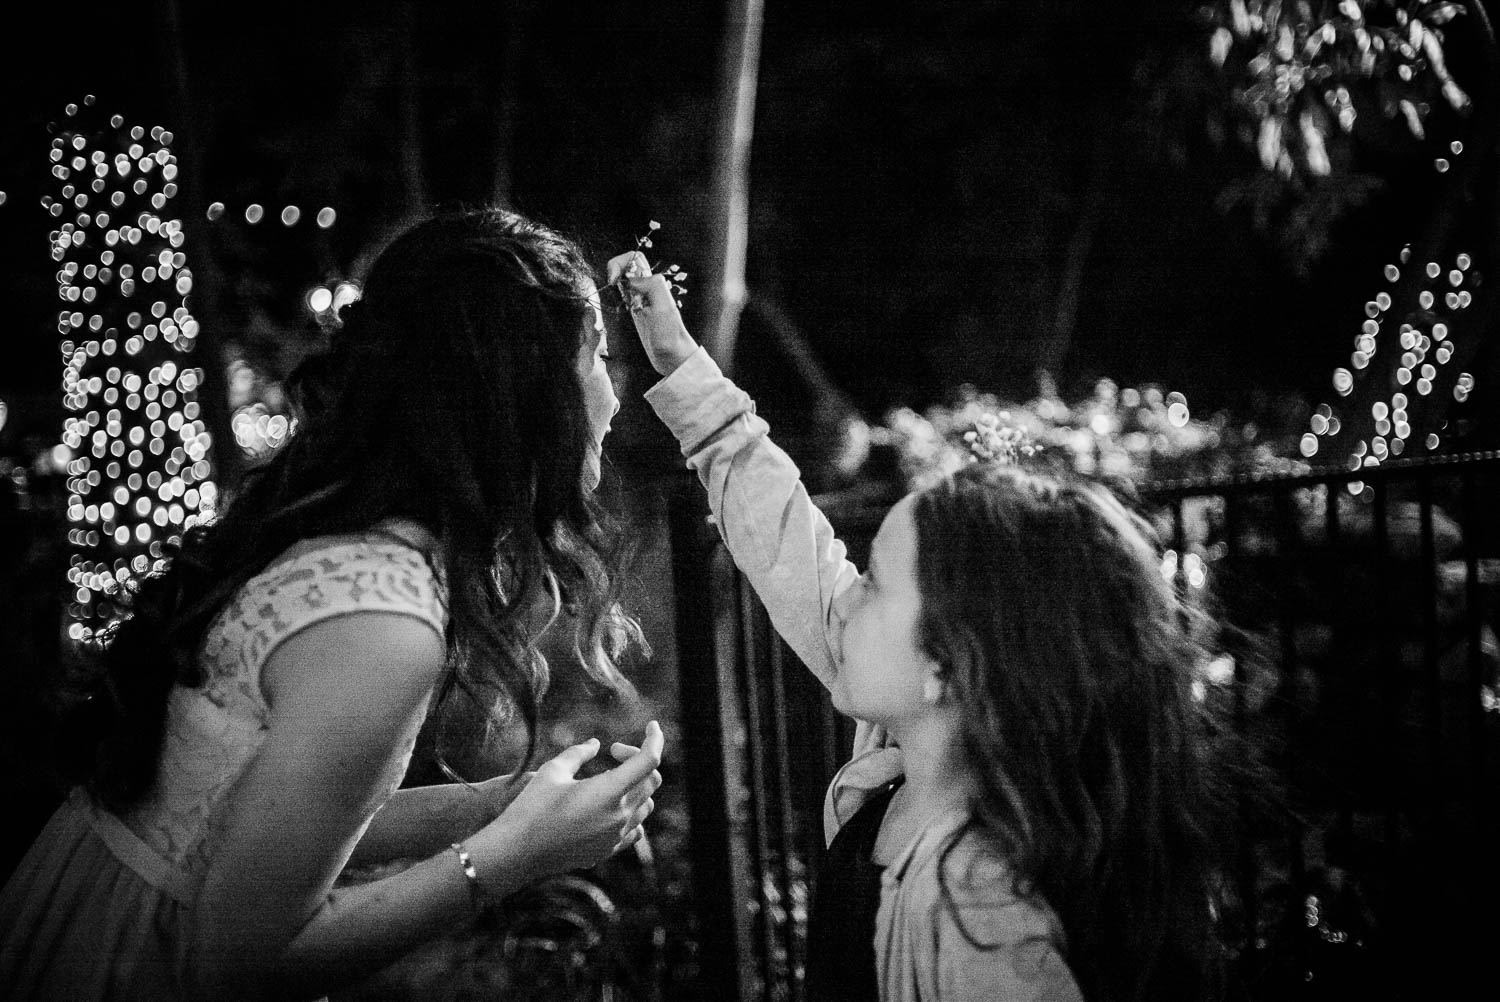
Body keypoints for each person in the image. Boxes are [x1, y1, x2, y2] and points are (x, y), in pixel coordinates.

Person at [0, 208, 665, 1002]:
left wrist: (496, 807)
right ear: (522, 390)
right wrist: (514, 857)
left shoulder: (354, 537)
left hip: (91, 908)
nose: (615, 400)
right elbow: (236, 962)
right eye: (597, 360)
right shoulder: (384, 631)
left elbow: (262, 823)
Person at [613, 252, 1227, 1001]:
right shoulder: (907, 761)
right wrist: (680, 365)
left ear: (947, 664)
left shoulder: (986, 919)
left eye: (872, 585)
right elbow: (787, 542)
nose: (846, 596)